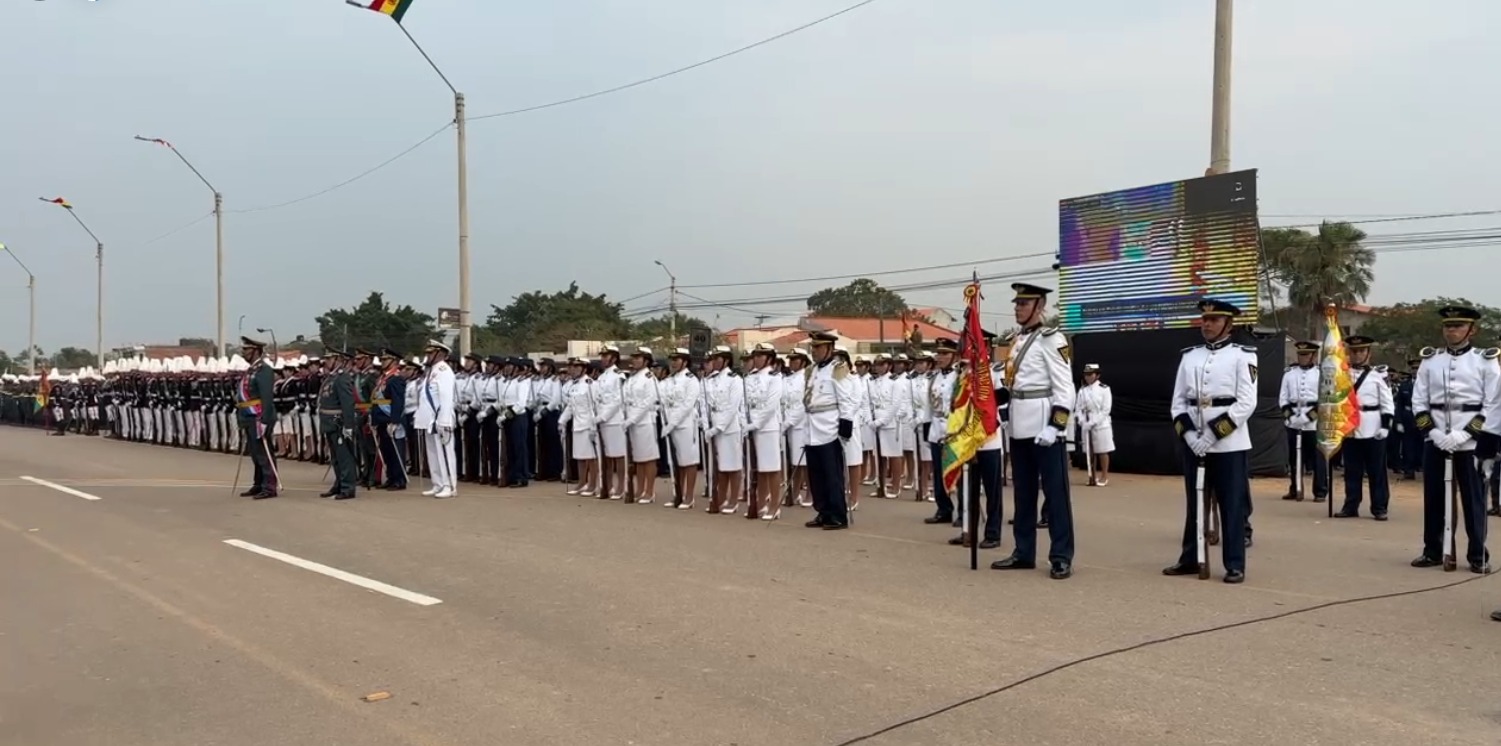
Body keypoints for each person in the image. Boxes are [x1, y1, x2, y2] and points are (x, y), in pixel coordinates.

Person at [1163, 299, 1257, 584]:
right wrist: (1191, 434)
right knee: (1195, 502)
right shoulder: (1189, 356)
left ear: (1229, 324)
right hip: (1193, 442)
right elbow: (1178, 403)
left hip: (1229, 443)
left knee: (1231, 503)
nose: (1206, 324)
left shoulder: (1244, 356)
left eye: (1214, 320)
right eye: (1204, 319)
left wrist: (1214, 433)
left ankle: (1234, 564)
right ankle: (1190, 558)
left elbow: (1246, 403)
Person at [991, 283, 1077, 580]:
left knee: (1055, 494)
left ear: (1039, 306)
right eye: (1016, 303)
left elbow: (1066, 388)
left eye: (1024, 303)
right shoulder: (1016, 340)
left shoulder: (1052, 340)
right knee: (1023, 493)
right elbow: (1014, 386)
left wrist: (1056, 426)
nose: (1018, 307)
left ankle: (1061, 555)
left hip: (1044, 423)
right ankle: (1023, 551)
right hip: (1019, 422)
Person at [1410, 305, 1497, 574]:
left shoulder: (1485, 361)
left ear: (1472, 330)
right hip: (1436, 440)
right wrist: (1432, 432)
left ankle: (1476, 554)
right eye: (1448, 326)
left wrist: (1466, 433)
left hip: (1471, 442)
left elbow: (1493, 404)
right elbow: (1418, 401)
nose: (1452, 330)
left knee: (1474, 500)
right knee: (1434, 497)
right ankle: (1433, 550)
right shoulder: (1430, 361)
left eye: (1458, 326)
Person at [1334, 335, 1394, 519]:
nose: (1358, 355)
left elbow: (1388, 403)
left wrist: (1385, 426)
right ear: (1348, 353)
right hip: (1350, 428)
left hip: (1372, 426)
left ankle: (1379, 507)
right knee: (1352, 471)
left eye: (1361, 351)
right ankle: (1351, 505)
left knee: (1377, 471)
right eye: (1354, 351)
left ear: (1368, 353)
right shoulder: (1340, 375)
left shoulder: (1378, 376)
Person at [803, 332, 858, 530]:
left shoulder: (838, 369)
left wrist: (845, 427)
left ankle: (837, 514)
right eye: (813, 347)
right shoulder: (811, 370)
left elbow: (846, 400)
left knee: (832, 474)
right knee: (816, 474)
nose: (814, 351)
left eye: (818, 347)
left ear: (829, 349)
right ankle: (823, 511)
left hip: (829, 427)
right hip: (812, 427)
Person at [1279, 341, 1328, 502]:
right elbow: (1283, 399)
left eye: (1306, 355)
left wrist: (1308, 417)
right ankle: (1295, 488)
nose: (1302, 358)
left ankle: (1320, 490)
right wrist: (1291, 416)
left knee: (1317, 458)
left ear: (1313, 356)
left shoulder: (1321, 374)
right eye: (1300, 354)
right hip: (1293, 420)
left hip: (1314, 422)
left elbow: (1325, 400)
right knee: (1294, 457)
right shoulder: (1289, 374)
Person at [235, 335, 281, 499]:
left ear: (255, 351)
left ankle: (269, 486)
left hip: (259, 416)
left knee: (263, 452)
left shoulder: (264, 369)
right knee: (255, 453)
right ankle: (259, 483)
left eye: (246, 350)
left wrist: (264, 419)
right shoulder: (252, 370)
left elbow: (266, 397)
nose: (244, 352)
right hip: (249, 416)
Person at [744, 342, 785, 519]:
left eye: (761, 356)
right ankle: (759, 503)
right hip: (751, 426)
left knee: (771, 468)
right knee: (758, 469)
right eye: (756, 356)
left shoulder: (775, 378)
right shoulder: (749, 377)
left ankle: (775, 505)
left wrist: (756, 423)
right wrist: (744, 422)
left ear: (769, 359)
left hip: (768, 428)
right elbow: (743, 403)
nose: (757, 359)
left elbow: (770, 405)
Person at [416, 340, 458, 499]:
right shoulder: (431, 371)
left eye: (430, 353)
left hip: (441, 418)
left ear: (439, 354)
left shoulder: (444, 370)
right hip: (429, 419)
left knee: (445, 453)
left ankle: (450, 486)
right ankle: (438, 483)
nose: (427, 356)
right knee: (433, 452)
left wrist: (444, 420)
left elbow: (446, 397)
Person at [317, 348, 359, 500]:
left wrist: (348, 426)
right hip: (329, 423)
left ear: (338, 360)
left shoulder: (342, 378)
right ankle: (339, 484)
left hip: (338, 423)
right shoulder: (331, 377)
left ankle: (348, 487)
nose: (326, 362)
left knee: (344, 456)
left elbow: (347, 403)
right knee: (335, 457)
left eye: (329, 359)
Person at [371, 348, 409, 491]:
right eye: (382, 359)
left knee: (395, 451)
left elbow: (398, 402)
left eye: (385, 360)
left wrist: (395, 421)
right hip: (381, 419)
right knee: (386, 451)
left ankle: (399, 480)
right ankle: (391, 477)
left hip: (390, 420)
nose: (382, 362)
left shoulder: (396, 379)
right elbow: (377, 400)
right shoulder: (383, 378)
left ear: (394, 362)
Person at [1075, 362, 1114, 487]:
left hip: (1101, 423)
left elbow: (1105, 409)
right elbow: (1078, 407)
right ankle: (1092, 476)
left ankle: (1104, 476)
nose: (1087, 377)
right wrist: (1081, 420)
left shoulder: (1104, 389)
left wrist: (1093, 422)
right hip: (1086, 422)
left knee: (1102, 451)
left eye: (1090, 374)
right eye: (1086, 375)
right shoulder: (1082, 390)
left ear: (1097, 375)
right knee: (1089, 452)